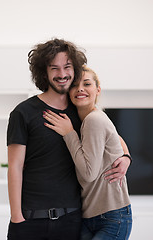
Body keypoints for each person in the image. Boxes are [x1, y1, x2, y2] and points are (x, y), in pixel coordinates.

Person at [6, 38, 131, 240]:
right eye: (54, 68)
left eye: (67, 67)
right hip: (30, 220)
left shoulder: (81, 111)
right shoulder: (23, 112)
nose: (62, 74)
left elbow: (114, 137)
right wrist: (16, 217)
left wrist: (125, 157)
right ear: (44, 72)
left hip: (72, 220)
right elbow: (15, 166)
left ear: (75, 70)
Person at [43, 65, 132, 239]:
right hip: (90, 215)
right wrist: (126, 156)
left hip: (111, 217)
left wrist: (69, 134)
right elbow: (117, 139)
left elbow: (89, 174)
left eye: (87, 84)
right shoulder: (82, 119)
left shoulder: (94, 119)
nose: (80, 88)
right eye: (75, 85)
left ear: (98, 90)